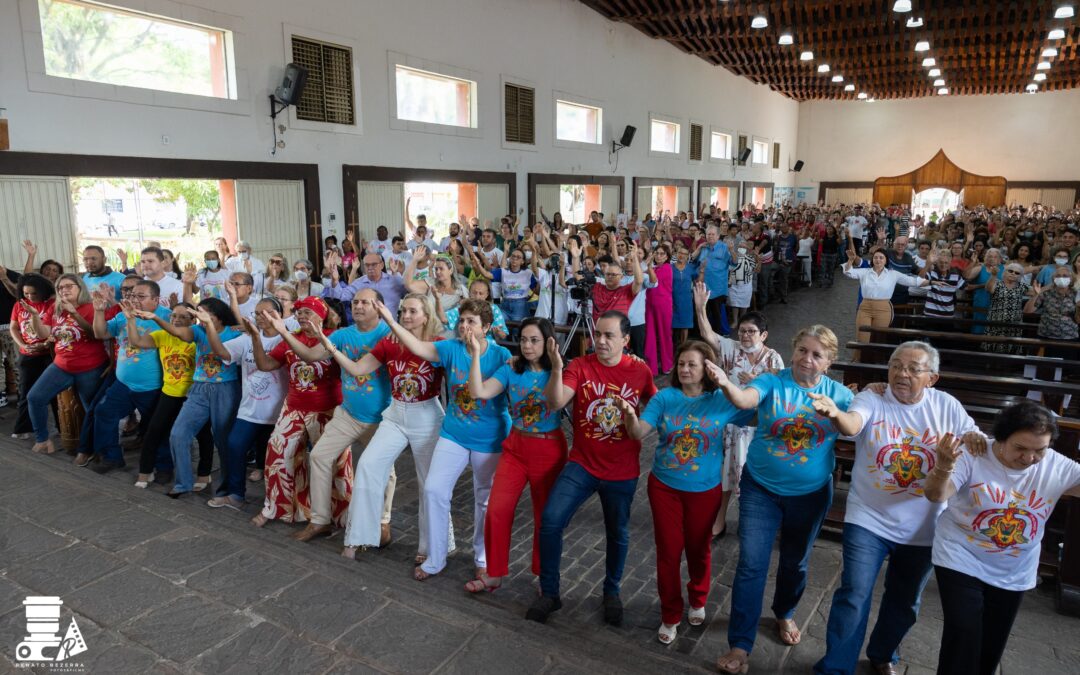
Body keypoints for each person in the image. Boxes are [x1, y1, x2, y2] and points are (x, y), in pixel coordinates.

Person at [810, 342, 983, 675]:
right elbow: (853, 424)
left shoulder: (946, 406)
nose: (902, 373)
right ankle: (835, 668)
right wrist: (835, 414)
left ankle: (883, 653)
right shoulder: (873, 398)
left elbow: (972, 436)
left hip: (924, 526)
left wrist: (976, 439)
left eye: (913, 369)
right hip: (868, 517)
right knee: (854, 592)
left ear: (932, 378)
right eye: (895, 365)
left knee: (905, 600)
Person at [710, 325, 853, 675]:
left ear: (830, 361)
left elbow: (856, 425)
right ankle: (740, 644)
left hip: (810, 495)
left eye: (817, 354)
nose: (807, 359)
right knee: (751, 563)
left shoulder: (838, 395)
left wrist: (842, 409)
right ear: (793, 350)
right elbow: (746, 400)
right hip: (760, 488)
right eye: (802, 350)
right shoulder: (773, 382)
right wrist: (726, 383)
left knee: (795, 562)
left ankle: (784, 612)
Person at [925, 401, 1080, 675]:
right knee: (963, 631)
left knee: (991, 645)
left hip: (1014, 569)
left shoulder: (1057, 466)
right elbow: (937, 495)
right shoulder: (974, 453)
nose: (1029, 458)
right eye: (1020, 448)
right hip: (960, 554)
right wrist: (944, 466)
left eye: (1040, 450)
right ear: (1001, 438)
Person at [527, 311, 657, 626]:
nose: (600, 340)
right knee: (551, 520)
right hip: (582, 464)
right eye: (597, 334)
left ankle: (612, 591)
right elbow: (556, 402)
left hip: (622, 470)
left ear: (626, 340)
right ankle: (550, 592)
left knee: (617, 533)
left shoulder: (640, 370)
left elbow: (657, 407)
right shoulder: (580, 365)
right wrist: (557, 368)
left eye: (609, 335)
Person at [618, 340, 753, 644]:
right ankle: (670, 613)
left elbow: (755, 415)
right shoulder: (665, 398)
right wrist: (629, 414)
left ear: (707, 368)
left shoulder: (721, 400)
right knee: (668, 551)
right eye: (681, 364)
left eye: (692, 364)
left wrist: (729, 385)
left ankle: (698, 597)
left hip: (705, 490)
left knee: (698, 548)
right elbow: (638, 432)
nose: (685, 369)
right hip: (664, 487)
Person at [376, 299, 512, 581]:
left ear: (486, 327)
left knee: (484, 499)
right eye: (461, 320)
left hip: (489, 438)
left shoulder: (501, 356)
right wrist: (390, 320)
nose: (464, 326)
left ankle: (482, 558)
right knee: (434, 490)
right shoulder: (451, 348)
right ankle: (436, 557)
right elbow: (418, 347)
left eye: (471, 321)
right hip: (454, 433)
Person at [267, 289, 394, 541]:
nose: (358, 306)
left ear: (379, 307)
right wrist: (283, 332)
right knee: (319, 457)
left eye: (365, 302)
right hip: (348, 414)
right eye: (355, 302)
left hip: (381, 417)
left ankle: (383, 522)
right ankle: (320, 520)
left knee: (385, 470)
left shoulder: (389, 334)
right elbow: (310, 355)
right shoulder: (343, 334)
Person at [338, 293, 448, 558]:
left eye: (412, 311)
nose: (406, 315)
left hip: (427, 416)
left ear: (426, 316)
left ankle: (431, 546)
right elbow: (358, 369)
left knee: (429, 483)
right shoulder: (389, 342)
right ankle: (358, 537)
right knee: (368, 465)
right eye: (403, 311)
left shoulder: (438, 344)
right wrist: (329, 347)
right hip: (396, 414)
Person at [463, 317, 566, 593]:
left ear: (548, 342)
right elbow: (478, 391)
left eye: (534, 340)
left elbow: (555, 403)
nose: (527, 346)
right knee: (497, 509)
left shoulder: (559, 370)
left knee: (545, 517)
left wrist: (557, 368)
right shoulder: (511, 368)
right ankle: (494, 572)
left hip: (548, 449)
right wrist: (475, 354)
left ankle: (545, 574)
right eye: (523, 340)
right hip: (516, 447)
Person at [248, 297, 350, 528]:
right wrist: (255, 337)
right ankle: (276, 508)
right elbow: (266, 365)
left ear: (321, 315)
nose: (301, 316)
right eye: (299, 312)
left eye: (307, 312)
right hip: (293, 408)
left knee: (335, 463)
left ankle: (339, 515)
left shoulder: (334, 336)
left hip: (328, 410)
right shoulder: (291, 337)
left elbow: (313, 356)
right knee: (277, 457)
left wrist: (284, 333)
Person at [693, 287, 785, 539]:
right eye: (742, 330)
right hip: (729, 422)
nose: (744, 335)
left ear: (763, 335)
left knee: (752, 475)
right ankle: (719, 519)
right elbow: (708, 334)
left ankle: (751, 520)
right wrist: (700, 307)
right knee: (724, 471)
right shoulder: (730, 347)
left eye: (751, 331)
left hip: (757, 425)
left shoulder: (773, 359)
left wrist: (757, 381)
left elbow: (781, 394)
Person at [139, 297, 241, 496]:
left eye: (204, 313)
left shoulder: (234, 333)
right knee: (178, 434)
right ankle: (183, 483)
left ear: (218, 316)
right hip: (198, 389)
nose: (199, 317)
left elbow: (227, 351)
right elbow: (178, 332)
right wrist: (155, 318)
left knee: (222, 439)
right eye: (197, 313)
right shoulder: (197, 330)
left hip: (225, 389)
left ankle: (228, 487)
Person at [208, 297, 288, 501]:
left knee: (276, 459)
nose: (261, 317)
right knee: (235, 445)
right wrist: (208, 325)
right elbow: (222, 352)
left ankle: (276, 501)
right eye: (257, 313)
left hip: (280, 411)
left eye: (267, 312)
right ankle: (236, 494)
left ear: (279, 315)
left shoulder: (287, 339)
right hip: (250, 408)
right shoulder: (246, 339)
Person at [88, 280, 171, 473]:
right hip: (124, 384)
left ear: (156, 299)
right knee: (104, 412)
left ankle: (163, 466)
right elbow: (100, 333)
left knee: (157, 425)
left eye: (141, 296)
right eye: (133, 295)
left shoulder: (166, 317)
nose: (135, 300)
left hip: (153, 386)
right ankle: (112, 457)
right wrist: (99, 311)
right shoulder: (122, 315)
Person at [126, 303, 212, 489]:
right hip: (169, 393)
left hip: (194, 396)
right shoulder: (162, 335)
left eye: (182, 317)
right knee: (153, 432)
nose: (176, 320)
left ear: (193, 320)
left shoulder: (198, 337)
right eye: (173, 316)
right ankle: (145, 472)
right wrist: (131, 320)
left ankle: (204, 475)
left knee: (203, 434)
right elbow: (136, 342)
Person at [23, 275, 107, 455]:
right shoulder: (55, 308)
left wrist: (74, 313)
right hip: (61, 365)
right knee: (35, 397)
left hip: (89, 367)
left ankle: (97, 449)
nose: (64, 290)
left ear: (80, 288)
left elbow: (96, 335)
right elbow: (43, 333)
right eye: (60, 287)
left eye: (69, 286)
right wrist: (35, 316)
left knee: (92, 409)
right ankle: (43, 440)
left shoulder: (92, 307)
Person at [843, 247, 927, 355]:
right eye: (876, 257)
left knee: (879, 338)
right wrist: (850, 260)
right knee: (862, 337)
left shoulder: (893, 274)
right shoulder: (865, 272)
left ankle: (875, 361)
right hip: (865, 308)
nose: (878, 260)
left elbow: (913, 281)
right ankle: (858, 359)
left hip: (883, 309)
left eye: (881, 258)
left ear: (886, 260)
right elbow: (848, 272)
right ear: (872, 260)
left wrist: (932, 282)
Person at [8, 274, 55, 440]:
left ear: (43, 291)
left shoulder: (51, 304)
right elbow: (14, 327)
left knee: (55, 393)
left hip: (49, 355)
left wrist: (45, 344)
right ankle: (23, 428)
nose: (30, 297)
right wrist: (22, 344)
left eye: (34, 293)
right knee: (25, 391)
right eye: (26, 293)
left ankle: (62, 427)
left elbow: (56, 329)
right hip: (27, 355)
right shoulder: (19, 305)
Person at [323, 253, 405, 322]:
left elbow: (409, 294)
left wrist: (400, 273)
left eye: (374, 264)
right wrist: (335, 280)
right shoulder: (358, 283)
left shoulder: (395, 281)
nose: (370, 267)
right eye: (367, 265)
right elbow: (340, 297)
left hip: (390, 330)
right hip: (365, 330)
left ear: (382, 265)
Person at [1024, 266, 1078, 355]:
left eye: (1065, 276)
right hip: (1046, 337)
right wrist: (1037, 294)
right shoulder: (1046, 293)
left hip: (1069, 337)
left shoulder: (1076, 294)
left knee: (1067, 362)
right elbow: (1027, 311)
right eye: (1058, 276)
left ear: (1071, 279)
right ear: (1054, 279)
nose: (1061, 278)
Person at [981, 262, 1032, 354]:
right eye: (1010, 271)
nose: (1013, 274)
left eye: (1017, 273)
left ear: (1020, 276)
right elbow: (989, 288)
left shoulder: (1022, 286)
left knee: (1011, 351)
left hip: (1014, 324)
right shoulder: (997, 283)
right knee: (992, 351)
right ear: (1005, 272)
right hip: (996, 322)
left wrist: (1052, 284)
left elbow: (1037, 292)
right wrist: (993, 275)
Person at [695, 224, 733, 333]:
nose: (710, 236)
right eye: (708, 234)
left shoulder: (724, 247)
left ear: (718, 236)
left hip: (717, 288)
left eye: (713, 234)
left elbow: (734, 263)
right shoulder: (703, 247)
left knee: (716, 315)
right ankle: (704, 335)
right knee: (703, 313)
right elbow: (694, 261)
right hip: (703, 286)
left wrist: (732, 251)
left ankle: (717, 337)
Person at [643, 244, 674, 376]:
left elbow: (652, 278)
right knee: (650, 335)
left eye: (662, 254)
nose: (659, 256)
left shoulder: (667, 268)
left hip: (663, 305)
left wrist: (648, 266)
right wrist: (648, 260)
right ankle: (651, 367)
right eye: (657, 253)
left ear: (667, 257)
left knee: (664, 334)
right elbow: (642, 271)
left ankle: (667, 365)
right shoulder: (653, 268)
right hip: (649, 304)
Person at [669, 245, 700, 347]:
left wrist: (703, 271)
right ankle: (671, 347)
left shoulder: (691, 268)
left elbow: (697, 282)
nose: (682, 255)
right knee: (671, 326)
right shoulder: (669, 268)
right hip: (672, 300)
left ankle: (683, 347)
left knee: (685, 326)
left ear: (688, 256)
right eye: (680, 253)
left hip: (686, 301)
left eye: (685, 254)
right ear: (676, 254)